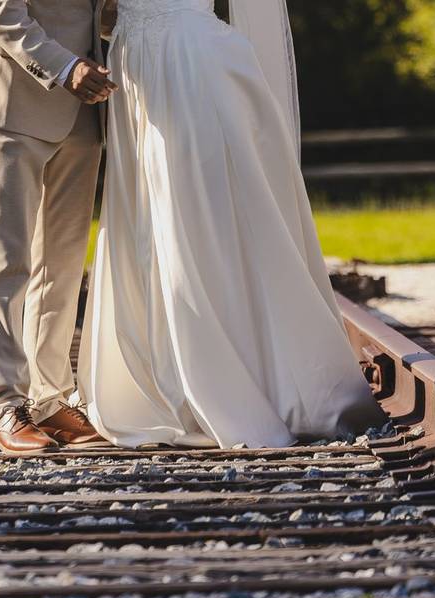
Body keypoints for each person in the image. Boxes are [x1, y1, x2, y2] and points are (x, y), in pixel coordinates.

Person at [76, 0, 388, 448]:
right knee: (158, 222)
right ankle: (175, 377)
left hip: (183, 57)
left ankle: (230, 381)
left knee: (196, 220)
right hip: (134, 59)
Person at [0, 0, 115, 452]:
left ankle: (49, 398)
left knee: (62, 268)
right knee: (6, 261)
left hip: (85, 116)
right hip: (14, 104)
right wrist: (64, 67)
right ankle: (3, 405)